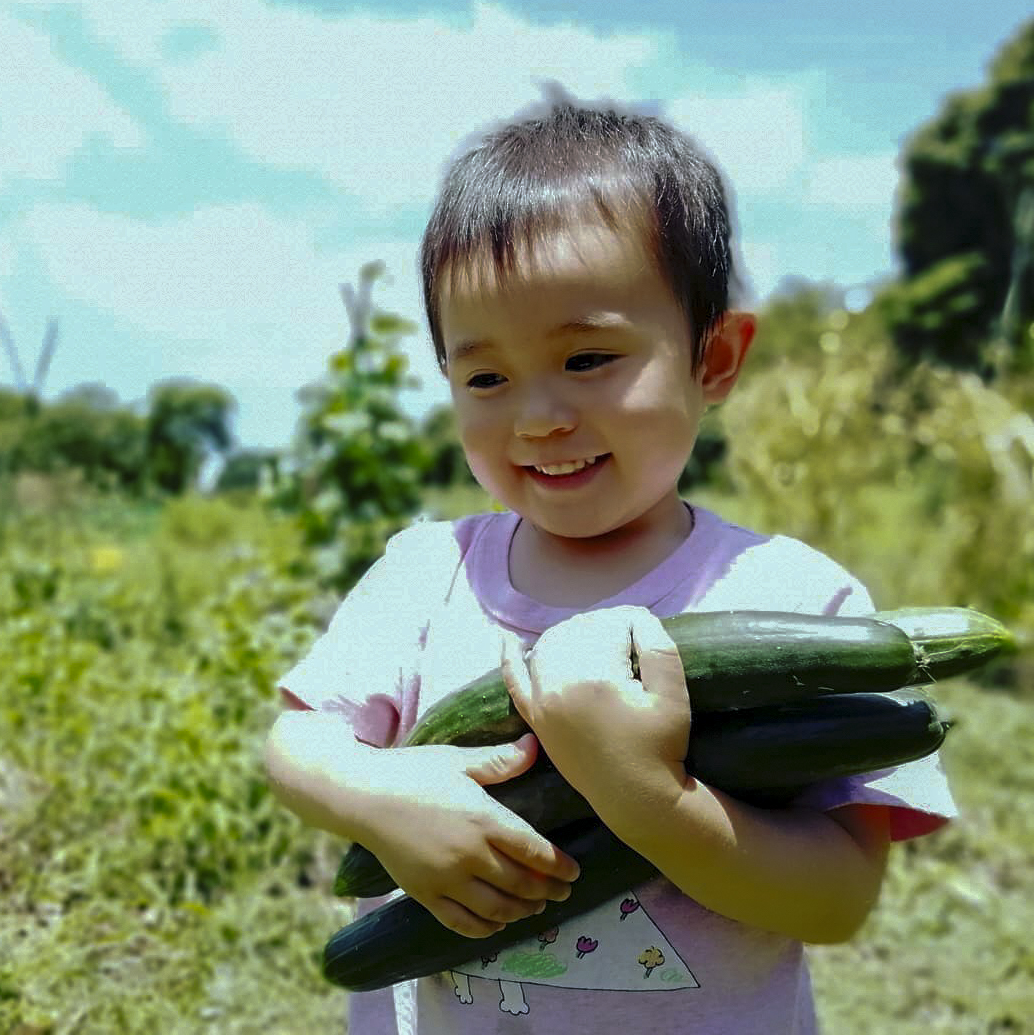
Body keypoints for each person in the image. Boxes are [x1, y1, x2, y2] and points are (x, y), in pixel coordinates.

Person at [264, 96, 957, 1033]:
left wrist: (647, 796)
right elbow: (300, 746)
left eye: (588, 357)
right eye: (485, 378)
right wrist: (383, 791)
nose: (537, 415)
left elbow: (836, 901)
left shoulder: (799, 602)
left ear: (713, 359)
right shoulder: (425, 573)